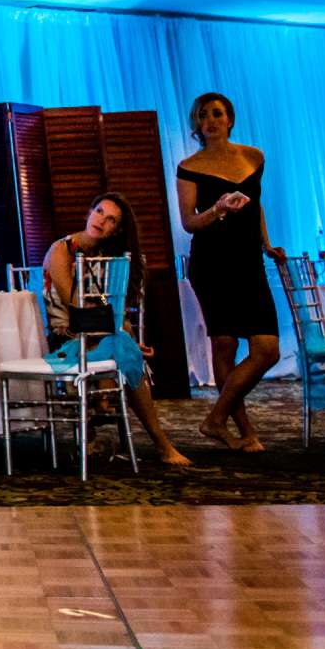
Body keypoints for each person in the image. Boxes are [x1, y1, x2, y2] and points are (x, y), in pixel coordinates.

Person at [41, 194, 193, 467]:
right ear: (89, 212)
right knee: (122, 349)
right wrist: (120, 335)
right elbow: (76, 307)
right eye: (99, 211)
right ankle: (161, 444)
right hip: (66, 338)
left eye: (111, 219)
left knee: (126, 347)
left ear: (118, 229)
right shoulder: (62, 250)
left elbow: (115, 310)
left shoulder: (107, 257)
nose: (102, 221)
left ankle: (108, 414)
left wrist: (132, 339)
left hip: (102, 336)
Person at [175, 92, 284, 453]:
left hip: (249, 259)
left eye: (217, 114)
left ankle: (215, 418)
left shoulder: (254, 157)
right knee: (224, 344)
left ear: (230, 118)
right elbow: (189, 222)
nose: (210, 121)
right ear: (196, 124)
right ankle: (244, 430)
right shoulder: (189, 166)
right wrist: (218, 209)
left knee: (266, 348)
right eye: (202, 115)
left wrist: (267, 245)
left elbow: (257, 207)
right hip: (211, 262)